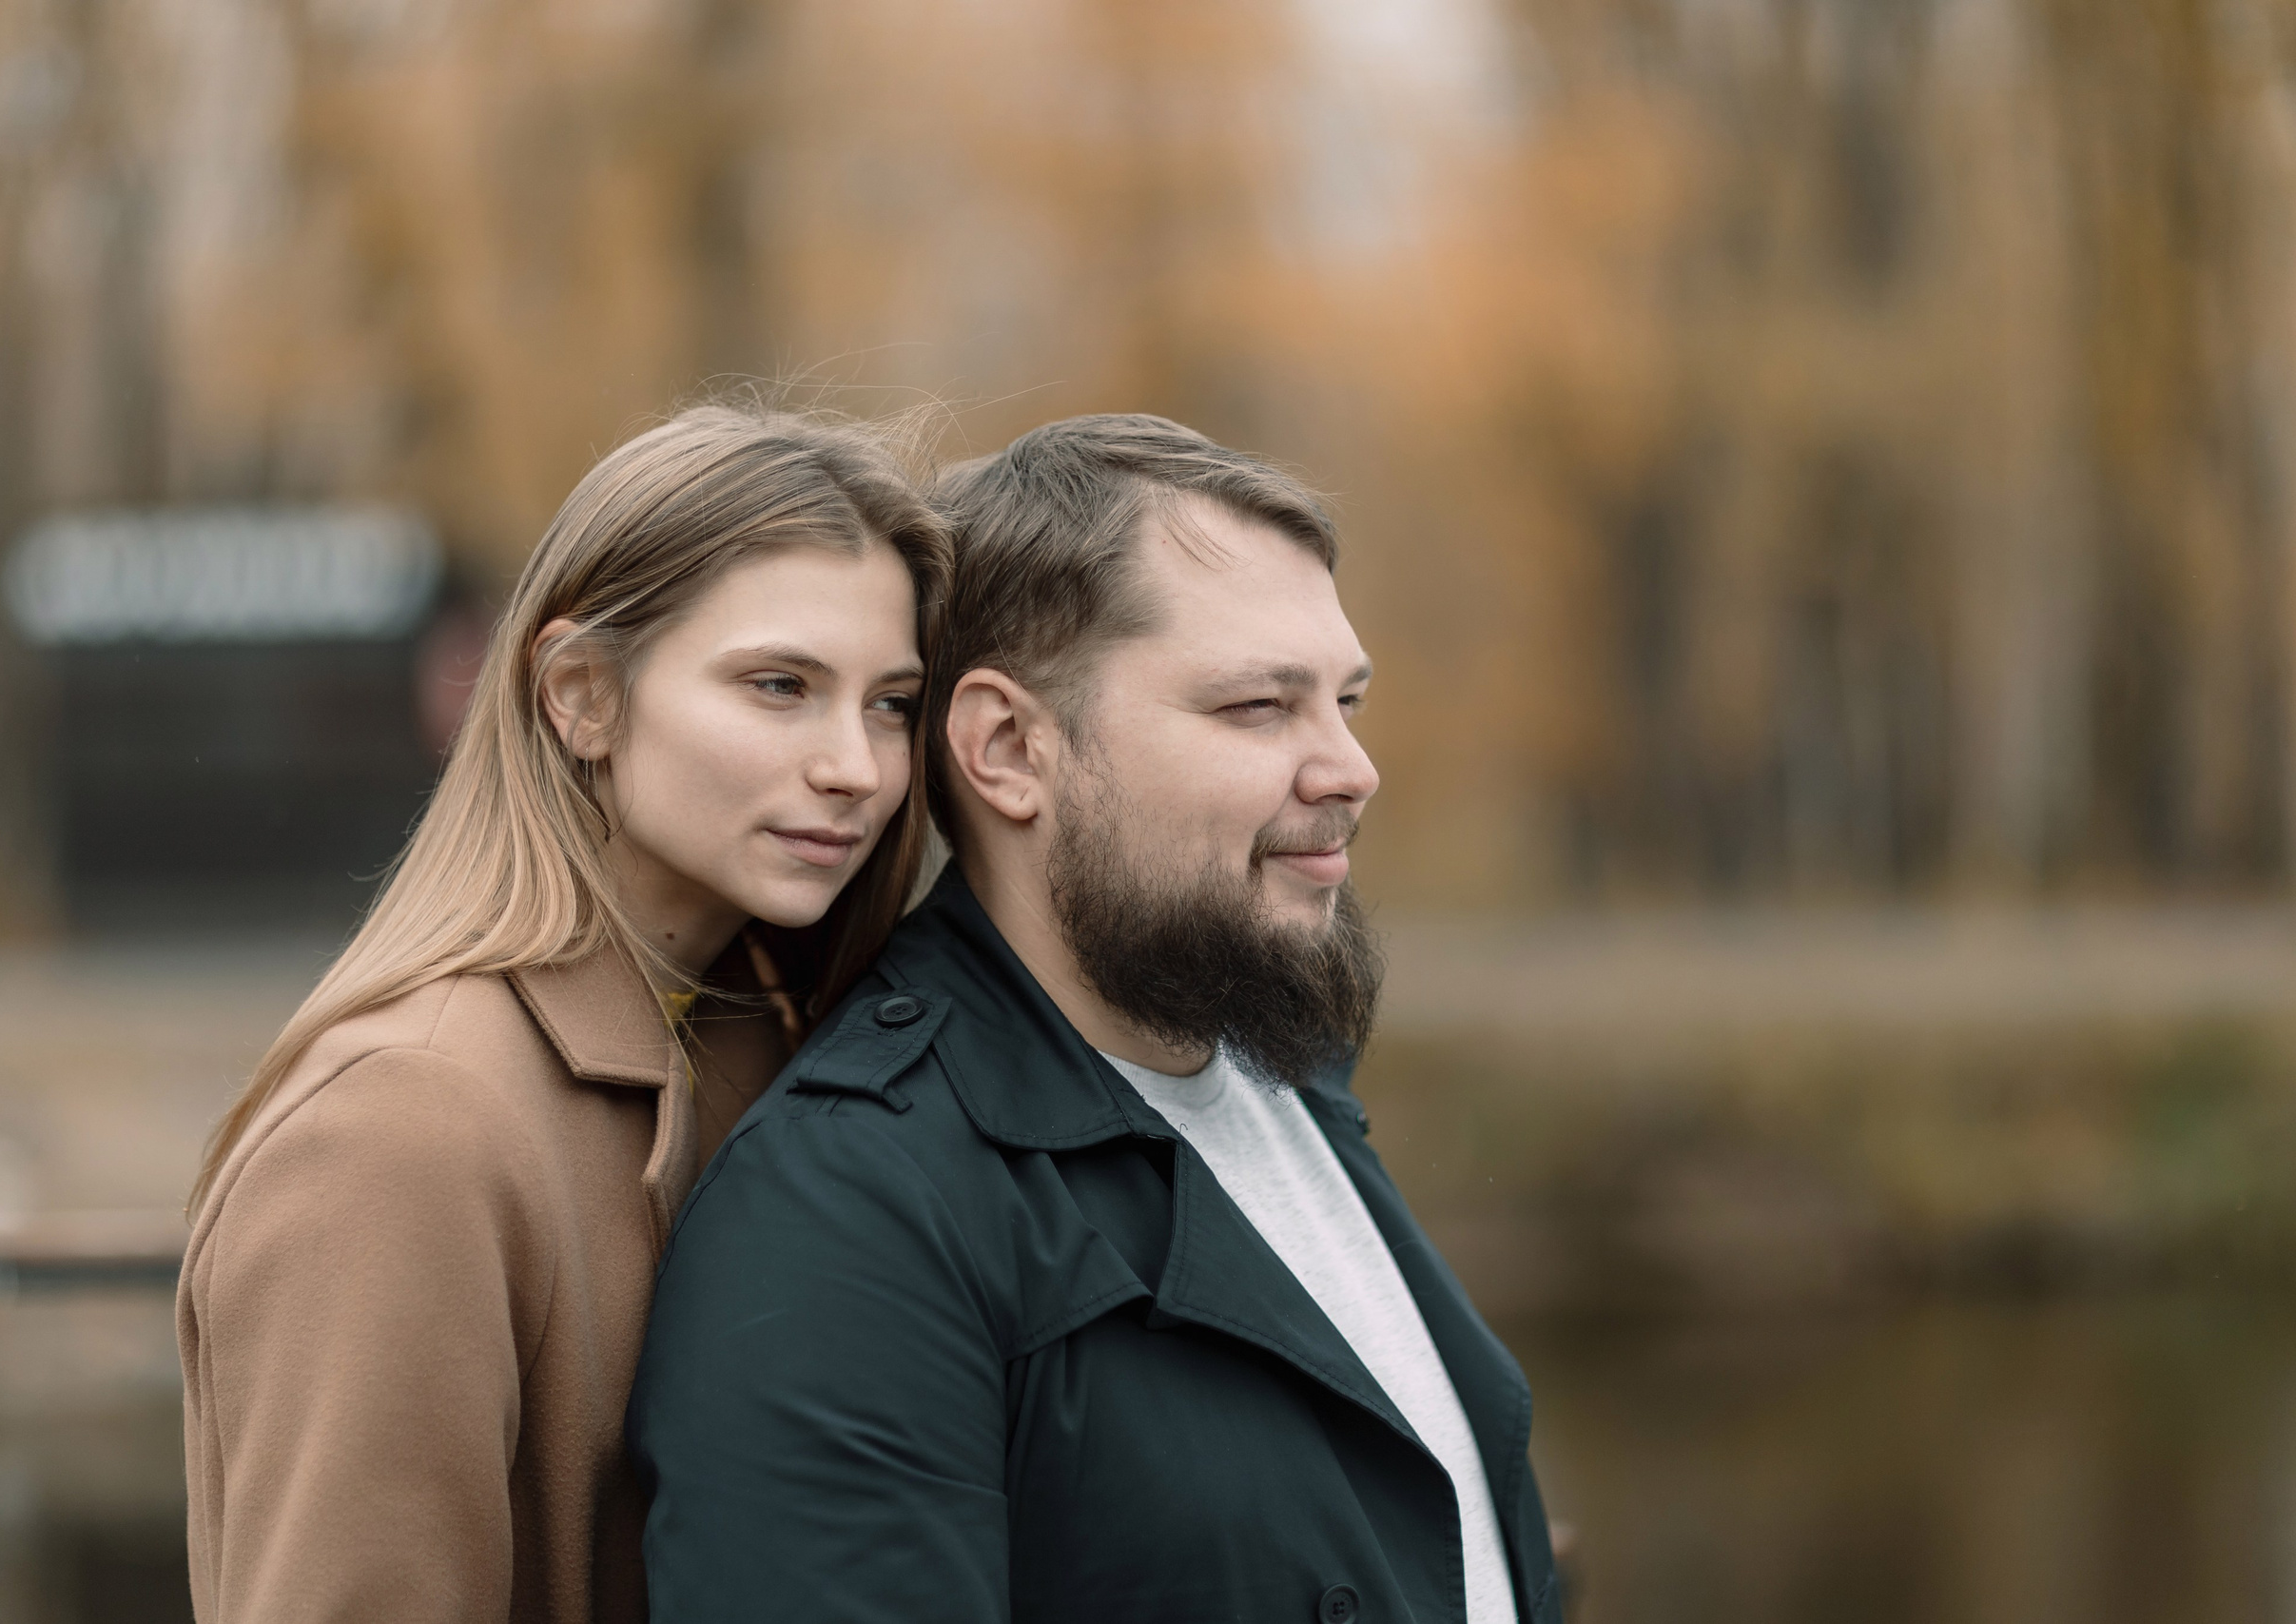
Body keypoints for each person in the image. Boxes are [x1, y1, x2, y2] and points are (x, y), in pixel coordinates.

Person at [627, 414, 1563, 1624]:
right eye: (1258, 709)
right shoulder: (848, 1217)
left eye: (1346, 701)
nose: (1349, 768)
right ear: (1011, 749)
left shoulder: (1276, 1070)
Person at [177, 404, 952, 1624]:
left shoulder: (779, 1037)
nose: (855, 765)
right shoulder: (402, 1129)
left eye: (892, 703)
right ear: (581, 696)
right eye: (779, 685)